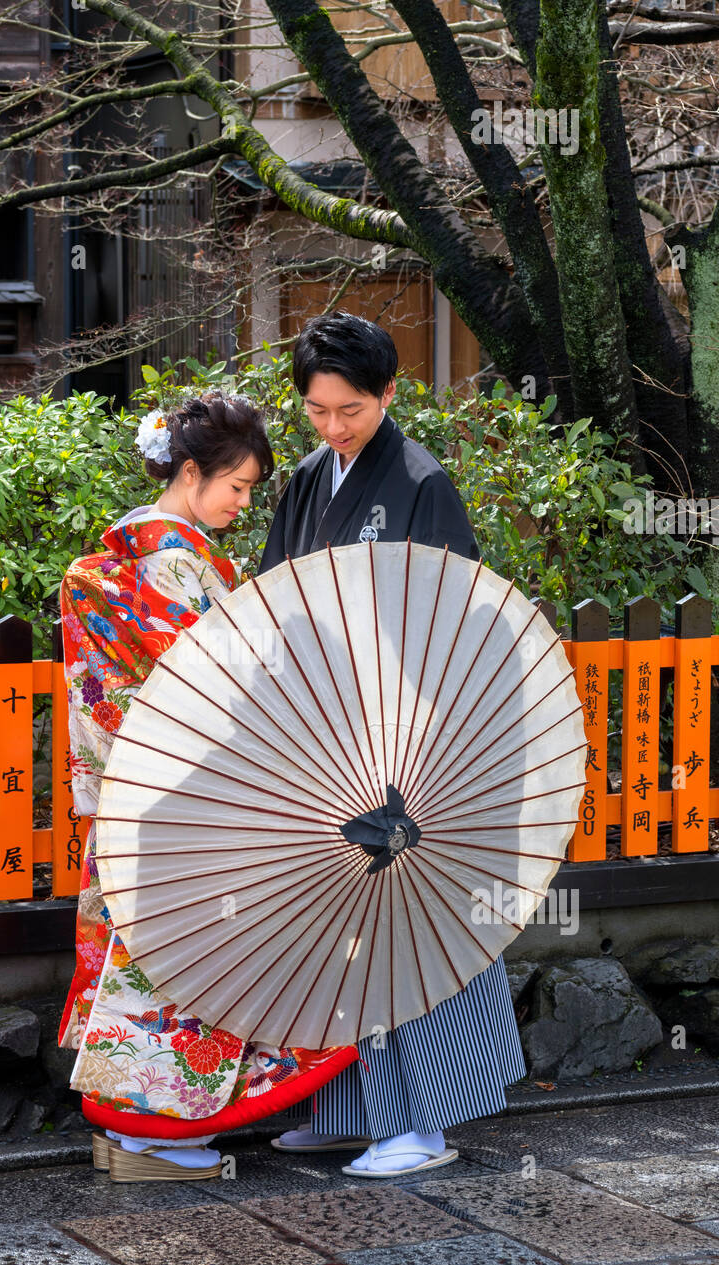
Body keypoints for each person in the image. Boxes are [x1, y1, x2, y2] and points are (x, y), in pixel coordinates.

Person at [57, 389, 357, 1183]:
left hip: (136, 797)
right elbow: (226, 686)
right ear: (191, 472)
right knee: (190, 974)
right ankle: (159, 1136)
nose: (243, 502)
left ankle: (128, 1133)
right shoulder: (175, 561)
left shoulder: (124, 546)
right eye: (237, 486)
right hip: (193, 802)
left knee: (151, 965)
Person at [258, 311, 528, 1178]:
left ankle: (423, 1122)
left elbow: (449, 624)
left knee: (417, 924)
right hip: (330, 733)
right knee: (344, 928)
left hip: (408, 738)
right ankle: (346, 1106)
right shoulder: (305, 480)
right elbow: (276, 598)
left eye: (351, 411)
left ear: (387, 395)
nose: (334, 427)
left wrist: (409, 742)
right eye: (319, 411)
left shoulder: (421, 481)